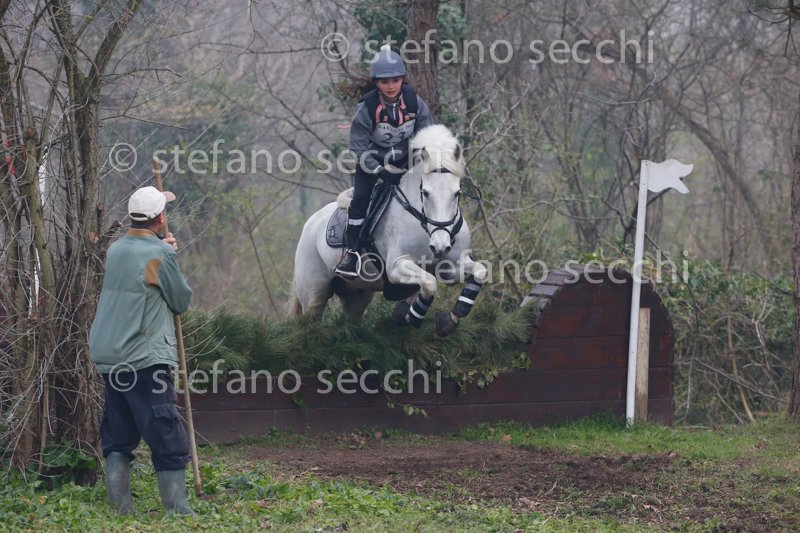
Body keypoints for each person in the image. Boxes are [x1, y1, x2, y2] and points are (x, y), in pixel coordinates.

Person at [89, 185, 194, 515]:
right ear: (160, 217)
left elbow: (146, 275)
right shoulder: (160, 255)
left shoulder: (116, 250)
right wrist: (168, 255)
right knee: (166, 430)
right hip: (144, 357)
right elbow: (180, 301)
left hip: (111, 355)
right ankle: (177, 508)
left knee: (118, 431)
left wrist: (163, 252)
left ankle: (120, 507)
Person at [334, 44, 433, 278]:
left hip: (406, 161)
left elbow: (427, 135)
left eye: (395, 80)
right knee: (360, 200)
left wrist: (419, 159)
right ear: (377, 83)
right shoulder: (367, 108)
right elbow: (358, 149)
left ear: (402, 79)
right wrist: (380, 170)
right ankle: (352, 254)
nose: (391, 86)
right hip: (372, 163)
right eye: (385, 82)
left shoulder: (414, 102)